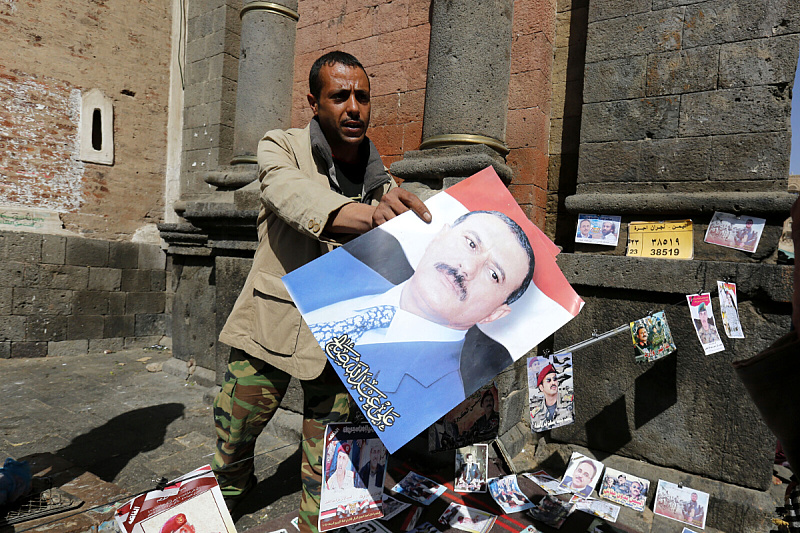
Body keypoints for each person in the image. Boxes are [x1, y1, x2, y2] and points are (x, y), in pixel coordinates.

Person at [211, 51, 431, 533]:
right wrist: (370, 218)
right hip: (273, 322)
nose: (354, 108)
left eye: (363, 97)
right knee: (233, 434)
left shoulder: (384, 183)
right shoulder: (280, 147)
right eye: (340, 96)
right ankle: (230, 491)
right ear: (314, 102)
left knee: (332, 457)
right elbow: (290, 195)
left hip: (342, 337)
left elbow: (414, 237)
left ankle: (318, 523)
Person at [300, 209, 535, 446]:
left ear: (495, 313)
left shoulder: (441, 397)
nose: (468, 268)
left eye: (493, 274)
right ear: (439, 236)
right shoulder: (342, 268)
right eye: (471, 243)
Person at [530, 363, 571, 430]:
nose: (553, 383)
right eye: (549, 380)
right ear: (541, 387)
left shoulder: (569, 403)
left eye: (555, 379)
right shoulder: (536, 413)